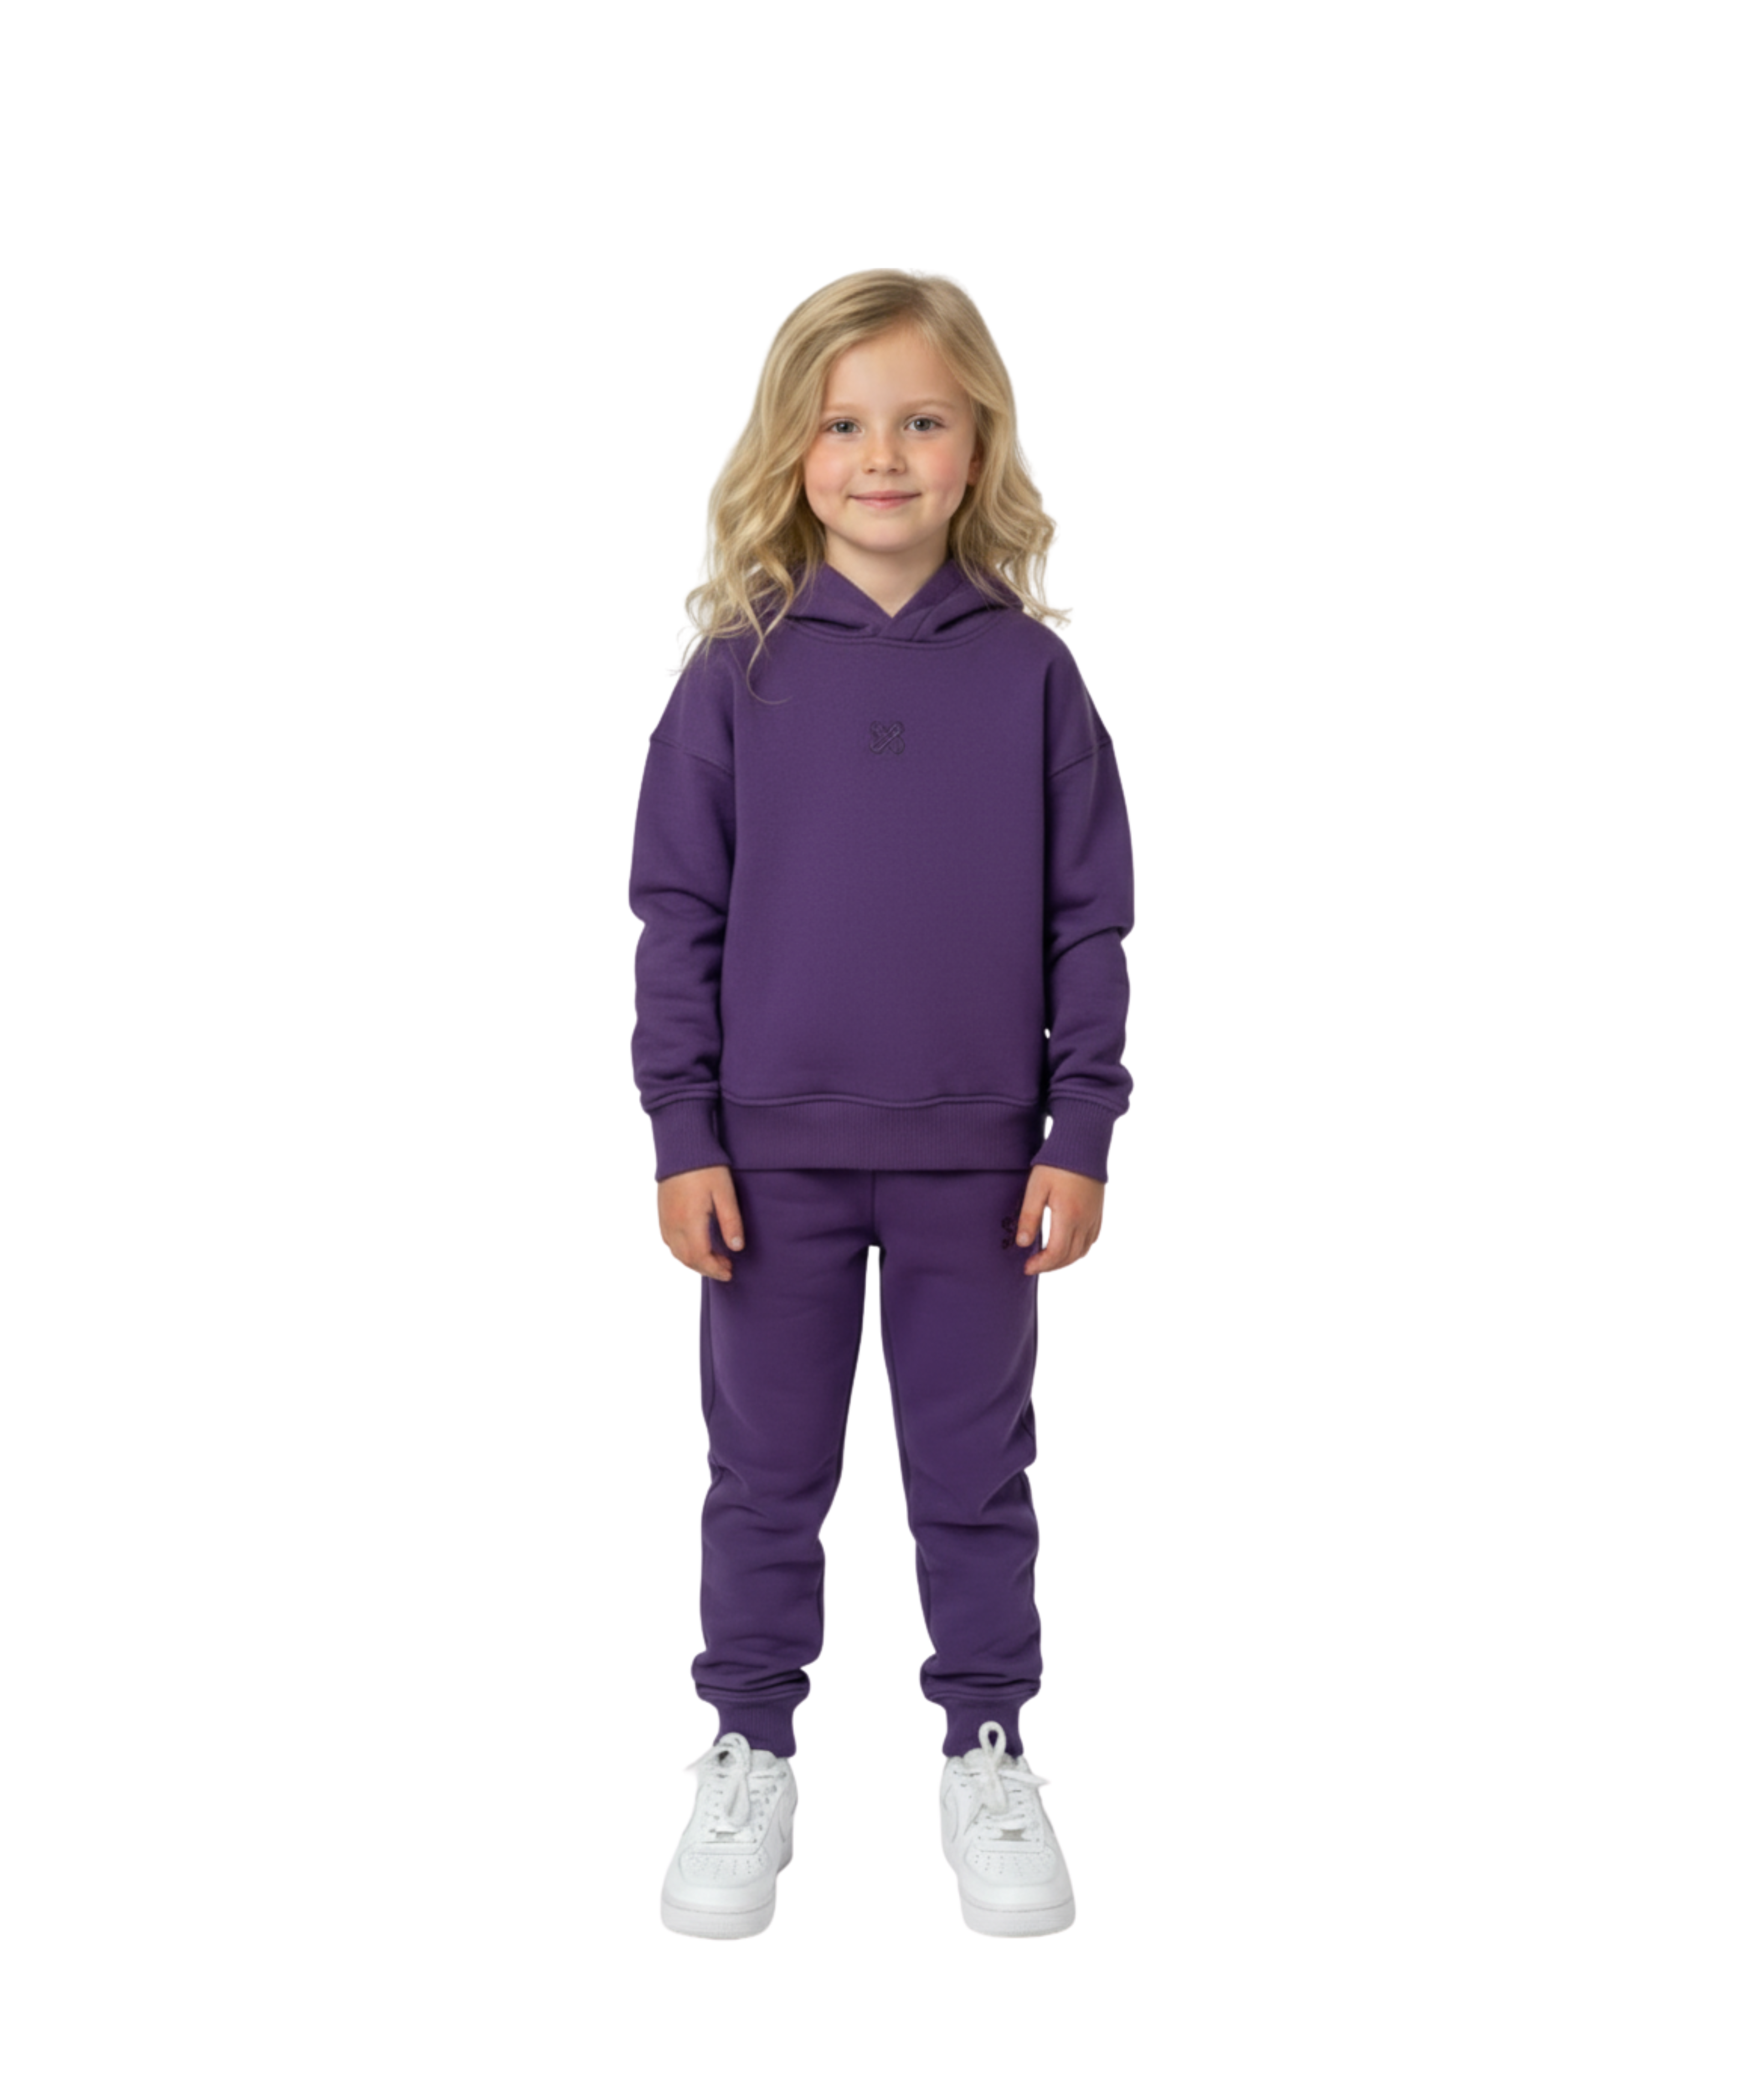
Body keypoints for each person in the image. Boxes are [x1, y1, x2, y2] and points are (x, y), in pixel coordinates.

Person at [629, 267, 1137, 1940]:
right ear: (791, 449)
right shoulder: (729, 674)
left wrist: (1079, 1129)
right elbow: (674, 917)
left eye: (921, 420)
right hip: (764, 1162)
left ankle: (987, 1752)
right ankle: (749, 1753)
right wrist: (682, 1132)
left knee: (977, 1476)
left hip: (984, 1166)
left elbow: (1091, 921)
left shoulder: (1035, 678)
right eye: (845, 424)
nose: (884, 457)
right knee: (763, 1475)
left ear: (979, 439)